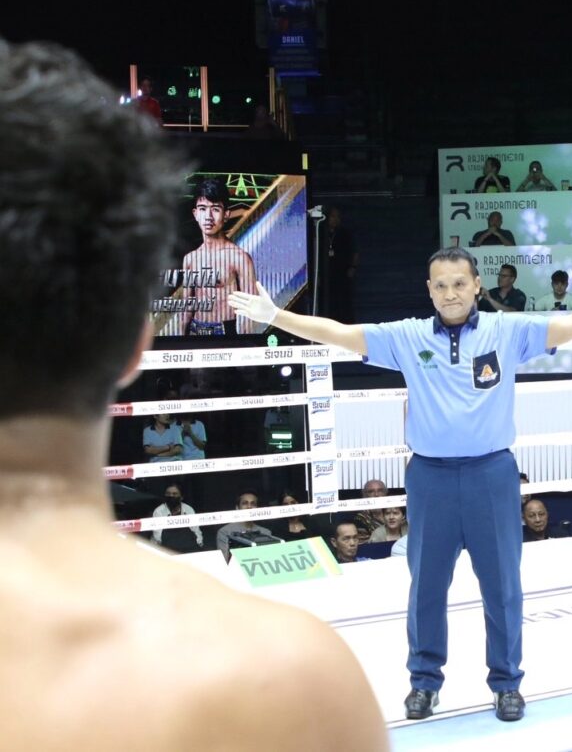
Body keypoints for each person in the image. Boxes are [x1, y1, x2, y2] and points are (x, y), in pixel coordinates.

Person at [0, 39, 386, 750]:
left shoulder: (234, 258)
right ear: (133, 341)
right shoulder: (288, 681)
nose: (207, 215)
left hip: (227, 364)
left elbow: (247, 312)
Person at [229, 245, 572, 722]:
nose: (451, 293)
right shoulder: (407, 336)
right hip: (430, 478)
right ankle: (424, 683)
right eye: (442, 285)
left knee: (503, 586)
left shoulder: (506, 331)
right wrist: (277, 315)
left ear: (476, 286)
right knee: (426, 586)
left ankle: (507, 684)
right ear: (430, 290)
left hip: (492, 474)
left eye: (459, 283)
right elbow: (341, 334)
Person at [178, 178, 258, 336]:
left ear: (226, 214)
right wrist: (179, 342)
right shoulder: (190, 259)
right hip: (195, 330)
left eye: (215, 209)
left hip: (225, 331)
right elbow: (187, 307)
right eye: (202, 209)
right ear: (195, 214)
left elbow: (250, 310)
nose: (208, 216)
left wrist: (244, 343)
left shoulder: (239, 258)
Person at [215, 491, 275, 562]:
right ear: (237, 508)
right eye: (245, 503)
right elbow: (224, 561)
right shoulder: (225, 531)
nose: (249, 507)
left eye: (253, 504)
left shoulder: (266, 532)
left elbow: (269, 558)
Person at [325, 206, 359, 322]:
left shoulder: (345, 234)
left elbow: (355, 251)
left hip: (343, 273)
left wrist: (352, 267)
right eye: (333, 216)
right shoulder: (321, 233)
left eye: (338, 217)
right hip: (327, 274)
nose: (335, 219)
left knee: (344, 301)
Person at [152, 483, 204, 553]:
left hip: (188, 547)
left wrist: (198, 544)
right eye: (168, 494)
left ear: (181, 497)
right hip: (165, 548)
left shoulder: (189, 509)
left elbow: (196, 531)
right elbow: (158, 536)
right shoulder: (158, 511)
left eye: (175, 494)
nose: (171, 496)